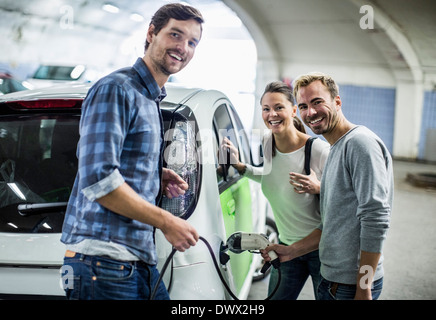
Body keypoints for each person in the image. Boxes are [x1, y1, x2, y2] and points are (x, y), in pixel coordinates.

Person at [60, 3, 204, 300]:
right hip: (102, 262)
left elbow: (115, 162)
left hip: (135, 259)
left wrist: (153, 174)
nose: (183, 47)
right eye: (175, 35)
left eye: (192, 42)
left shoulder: (149, 97)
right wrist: (167, 222)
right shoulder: (117, 89)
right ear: (151, 33)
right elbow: (99, 180)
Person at [262, 72, 393, 300]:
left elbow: (376, 219)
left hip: (351, 285)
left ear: (337, 102)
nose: (310, 113)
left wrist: (363, 287)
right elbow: (332, 223)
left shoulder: (359, 144)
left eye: (317, 102)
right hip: (333, 278)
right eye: (303, 106)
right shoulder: (336, 150)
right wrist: (291, 251)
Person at [221, 81, 330, 299]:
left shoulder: (317, 150)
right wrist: (239, 165)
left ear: (293, 109)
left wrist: (319, 188)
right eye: (266, 109)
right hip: (286, 247)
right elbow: (270, 177)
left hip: (321, 251)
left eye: (279, 107)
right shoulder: (267, 142)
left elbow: (343, 200)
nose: (272, 114)